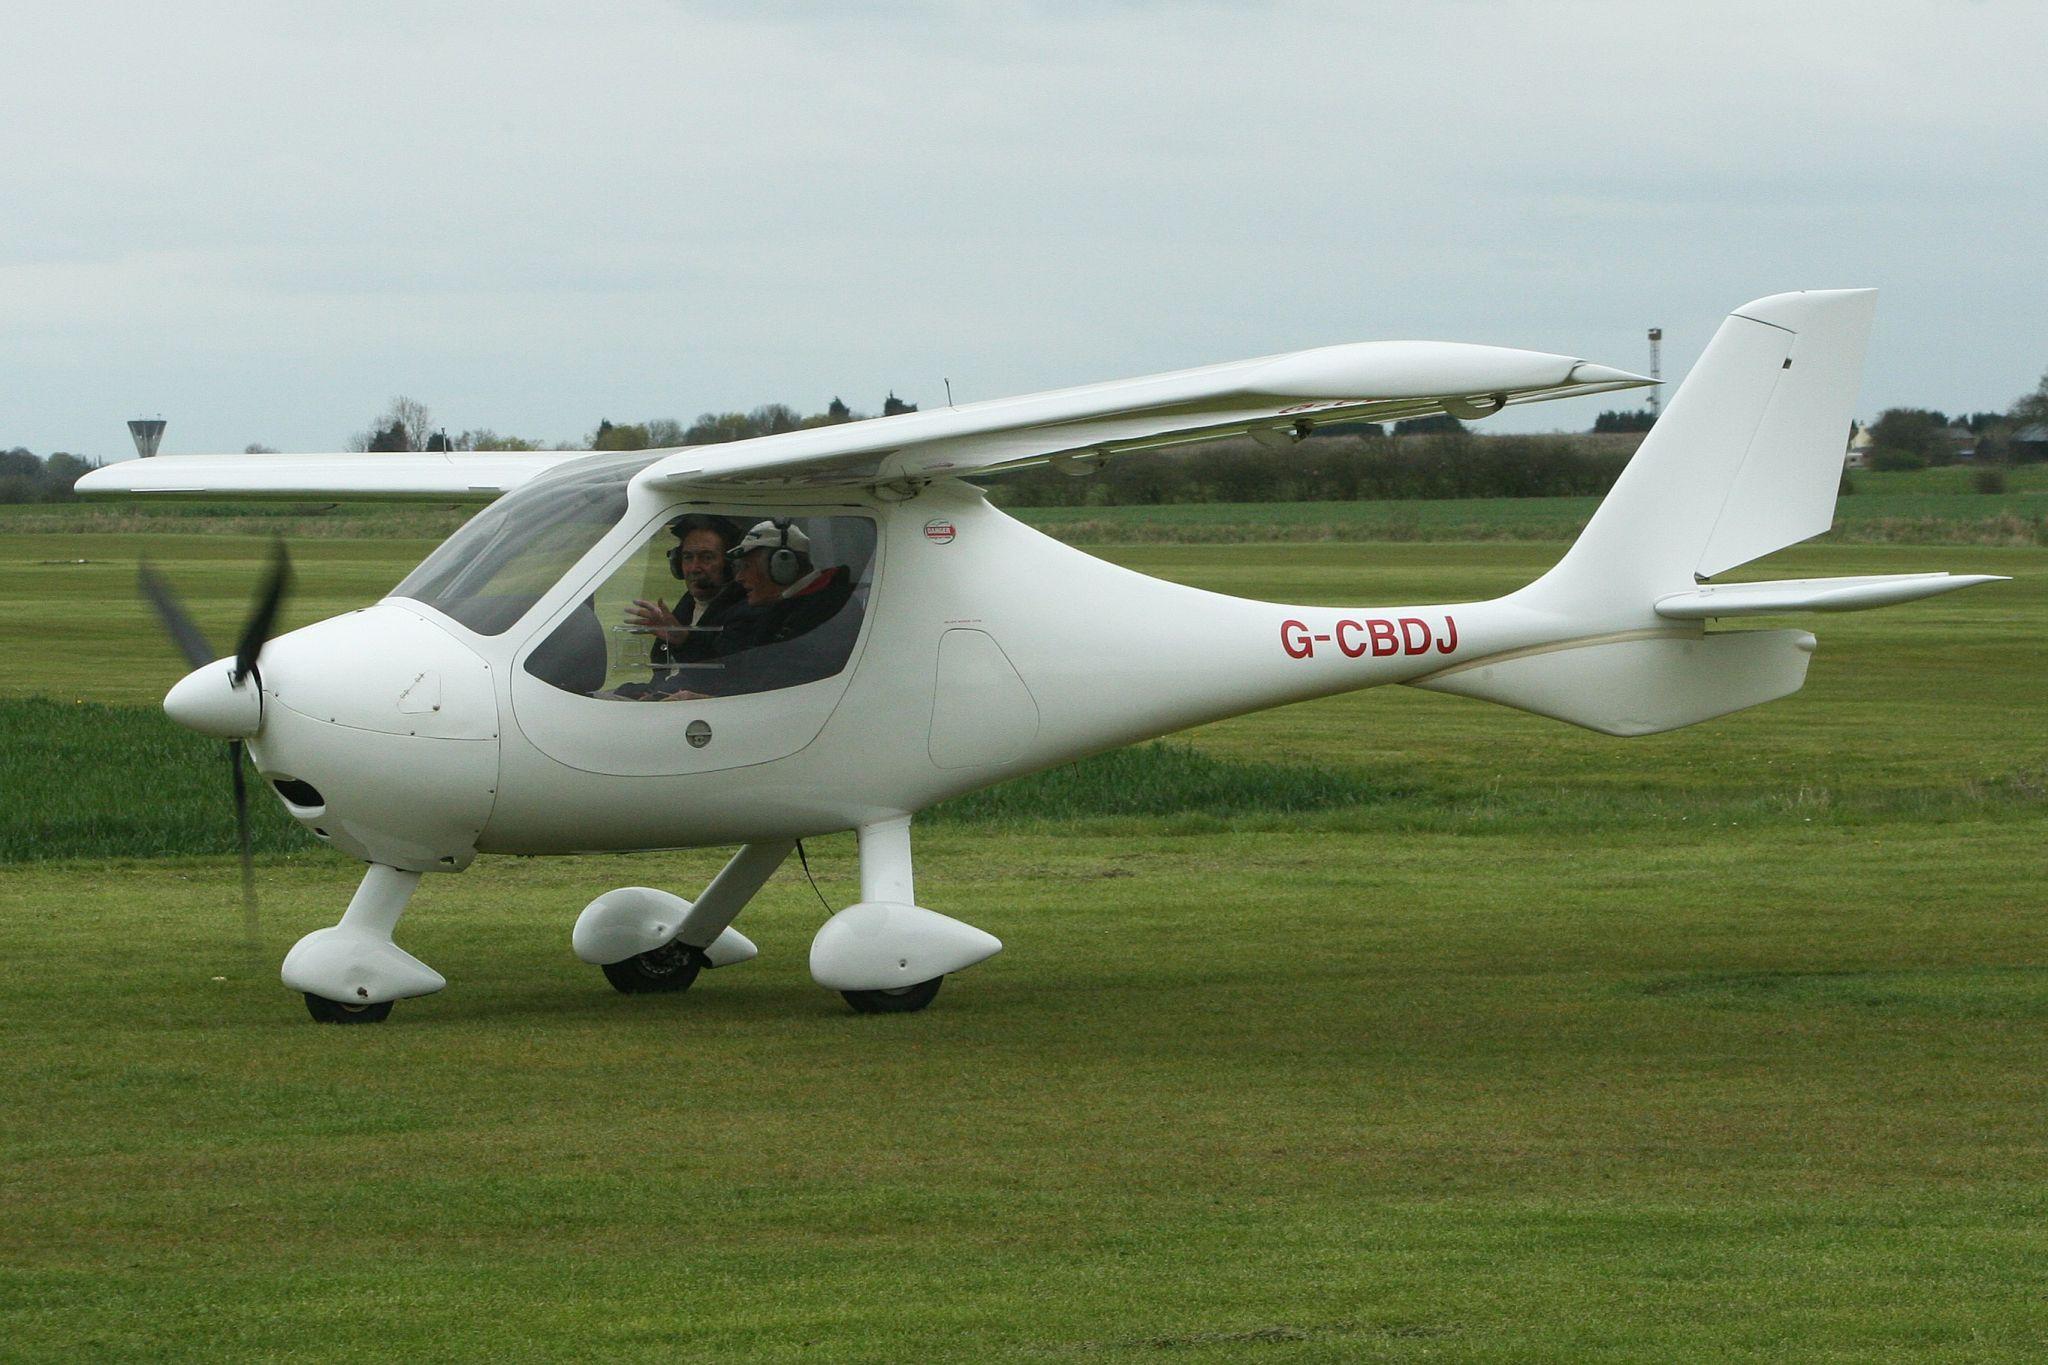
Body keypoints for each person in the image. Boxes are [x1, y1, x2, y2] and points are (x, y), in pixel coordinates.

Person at [660, 518, 861, 698]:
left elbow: (783, 689)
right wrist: (684, 641)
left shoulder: (829, 612)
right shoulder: (787, 607)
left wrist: (709, 699)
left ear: (782, 567)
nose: (739, 578)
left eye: (747, 567)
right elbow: (738, 670)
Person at [609, 515, 745, 699]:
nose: (694, 568)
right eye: (688, 557)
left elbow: (719, 676)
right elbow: (668, 675)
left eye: (706, 557)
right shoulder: (688, 604)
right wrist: (645, 691)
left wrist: (682, 639)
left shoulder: (743, 611)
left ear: (730, 565)